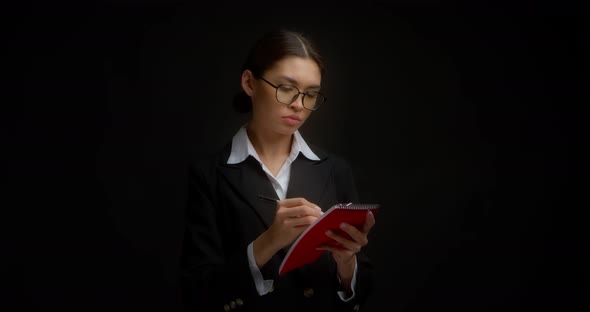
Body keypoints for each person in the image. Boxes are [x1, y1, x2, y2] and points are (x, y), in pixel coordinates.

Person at [180, 29, 376, 312]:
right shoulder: (209, 175)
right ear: (250, 82)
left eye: (311, 94)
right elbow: (196, 294)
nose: (298, 104)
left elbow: (362, 292)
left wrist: (348, 262)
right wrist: (268, 242)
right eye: (285, 88)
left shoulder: (335, 170)